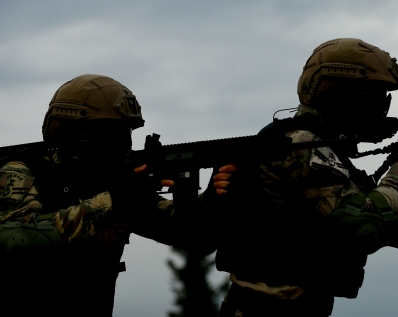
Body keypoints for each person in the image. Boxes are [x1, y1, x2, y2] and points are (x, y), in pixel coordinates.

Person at [213, 38, 398, 317]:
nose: (381, 108)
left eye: (384, 98)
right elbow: (364, 226)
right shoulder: (298, 146)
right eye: (371, 96)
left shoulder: (329, 155)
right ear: (336, 95)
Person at [0, 74, 233, 317]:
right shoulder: (23, 171)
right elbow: (15, 240)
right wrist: (113, 201)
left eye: (126, 132)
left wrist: (214, 197)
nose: (122, 143)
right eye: (110, 132)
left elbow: (196, 238)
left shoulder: (119, 183)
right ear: (74, 133)